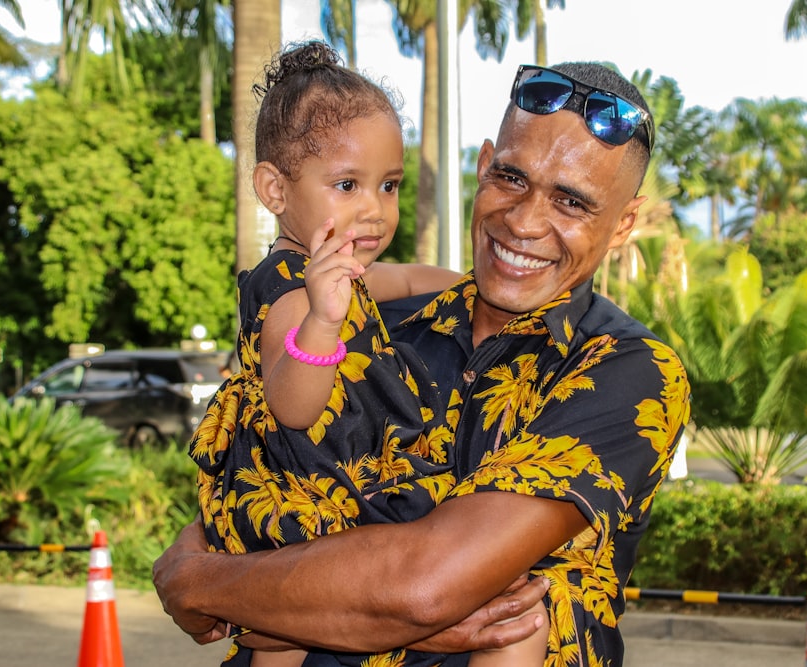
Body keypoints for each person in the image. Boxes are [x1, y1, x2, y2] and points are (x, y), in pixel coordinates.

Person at [154, 57, 692, 667]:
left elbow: (421, 588)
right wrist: (274, 590)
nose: (523, 221)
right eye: (511, 179)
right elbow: (263, 454)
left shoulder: (625, 369)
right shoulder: (372, 317)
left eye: (571, 202)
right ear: (484, 166)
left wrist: (205, 582)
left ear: (623, 224)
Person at [188, 40, 549, 667]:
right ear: (274, 188)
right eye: (347, 184)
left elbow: (408, 281)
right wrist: (325, 323)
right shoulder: (291, 291)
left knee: (288, 638)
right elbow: (293, 404)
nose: (375, 210)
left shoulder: (340, 267)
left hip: (349, 486)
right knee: (506, 617)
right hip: (311, 496)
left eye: (388, 186)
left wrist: (480, 285)